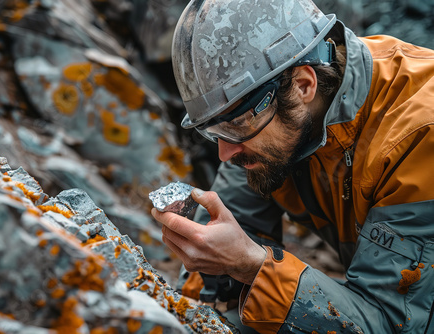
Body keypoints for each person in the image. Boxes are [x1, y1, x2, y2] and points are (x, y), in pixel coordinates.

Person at [151, 0, 434, 332]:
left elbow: (392, 322)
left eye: (235, 126)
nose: (225, 153)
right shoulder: (275, 122)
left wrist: (253, 266)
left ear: (303, 85)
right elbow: (229, 242)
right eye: (214, 131)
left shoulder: (419, 136)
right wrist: (207, 257)